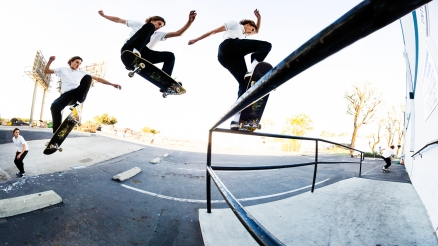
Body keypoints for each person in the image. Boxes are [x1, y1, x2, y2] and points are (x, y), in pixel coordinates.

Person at [188, 9, 272, 130]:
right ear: (247, 25)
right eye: (251, 29)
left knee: (245, 83)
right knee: (266, 45)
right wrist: (196, 39)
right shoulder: (235, 24)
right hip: (228, 46)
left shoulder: (244, 35)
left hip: (229, 58)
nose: (251, 33)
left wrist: (259, 19)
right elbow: (214, 31)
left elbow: (257, 30)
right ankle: (253, 68)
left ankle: (235, 119)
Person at [98, 10, 197, 78]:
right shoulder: (140, 25)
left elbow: (178, 33)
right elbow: (119, 20)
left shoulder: (159, 34)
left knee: (170, 56)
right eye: (158, 23)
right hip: (129, 49)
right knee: (149, 27)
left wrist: (190, 22)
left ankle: (164, 79)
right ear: (152, 20)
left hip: (144, 55)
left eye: (161, 26)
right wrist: (104, 15)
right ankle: (135, 53)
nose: (159, 27)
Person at [44, 56, 122, 133]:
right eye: (77, 62)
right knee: (54, 106)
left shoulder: (82, 72)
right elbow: (46, 71)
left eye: (80, 63)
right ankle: (57, 131)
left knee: (88, 77)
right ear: (71, 62)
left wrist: (112, 84)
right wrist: (50, 61)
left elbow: (98, 79)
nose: (78, 65)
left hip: (77, 93)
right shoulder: (62, 69)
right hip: (66, 95)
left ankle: (77, 104)